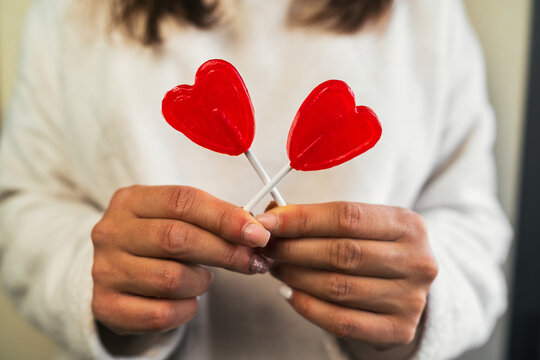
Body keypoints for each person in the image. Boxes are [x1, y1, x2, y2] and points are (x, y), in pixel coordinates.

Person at [0, 0, 512, 359]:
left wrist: (417, 309)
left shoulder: (427, 15)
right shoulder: (71, 13)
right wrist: (90, 281)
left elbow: (476, 229)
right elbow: (22, 204)